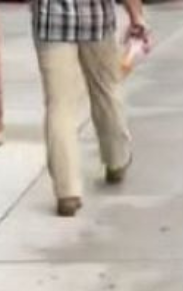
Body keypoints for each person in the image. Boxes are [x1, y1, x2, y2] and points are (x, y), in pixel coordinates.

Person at [31, 0, 149, 217]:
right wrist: (136, 17)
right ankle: (116, 161)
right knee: (107, 91)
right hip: (97, 19)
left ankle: (67, 192)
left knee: (60, 105)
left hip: (51, 22)